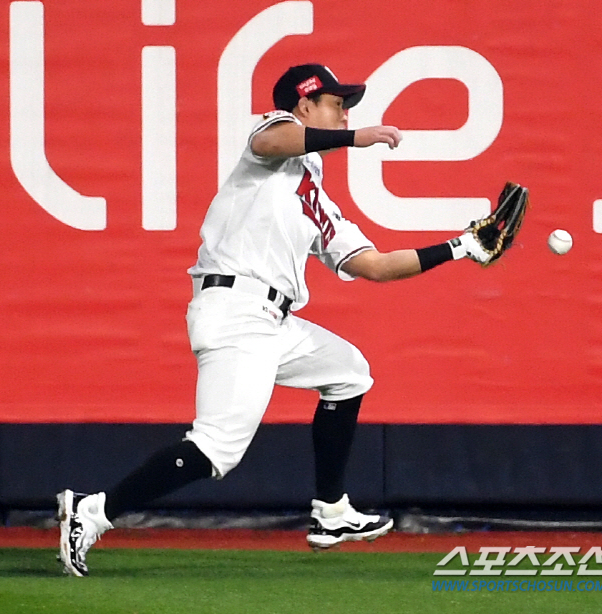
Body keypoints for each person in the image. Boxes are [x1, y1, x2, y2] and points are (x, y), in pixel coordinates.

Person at [57, 63, 492, 576]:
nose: (346, 112)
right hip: (235, 311)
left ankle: (331, 513)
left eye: (347, 106)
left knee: (349, 372)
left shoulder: (313, 194)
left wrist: (463, 246)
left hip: (273, 322)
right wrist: (357, 137)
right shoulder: (270, 142)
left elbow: (374, 266)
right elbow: (274, 142)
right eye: (337, 102)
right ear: (305, 106)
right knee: (217, 449)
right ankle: (92, 512)